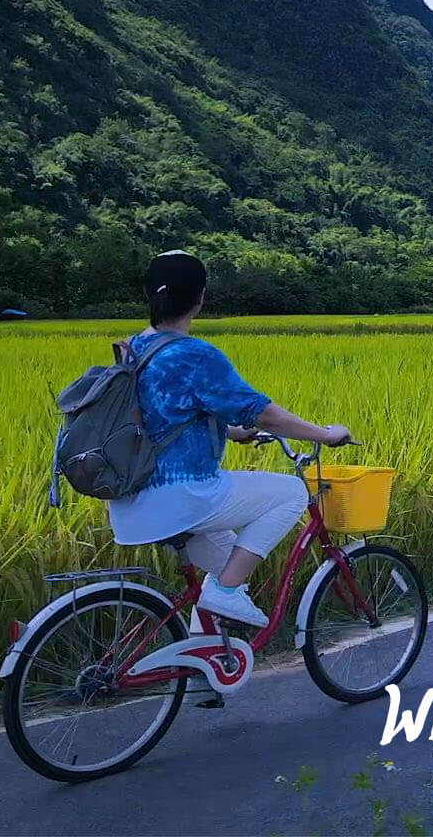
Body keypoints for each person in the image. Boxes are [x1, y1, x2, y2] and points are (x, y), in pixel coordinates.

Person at [106, 250, 353, 628]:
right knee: (292, 493)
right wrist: (325, 433)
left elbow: (162, 413)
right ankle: (224, 593)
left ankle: (201, 670)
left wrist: (232, 430)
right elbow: (264, 412)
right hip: (182, 497)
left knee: (225, 566)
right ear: (200, 297)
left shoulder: (132, 348)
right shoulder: (195, 355)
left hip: (130, 502)